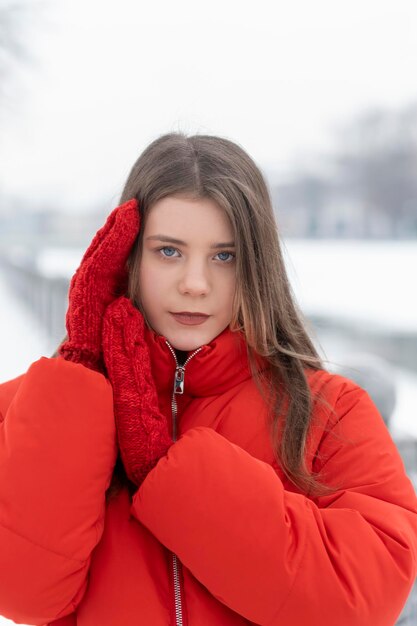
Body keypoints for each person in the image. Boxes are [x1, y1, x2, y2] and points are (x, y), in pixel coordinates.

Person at [0, 133, 416, 626]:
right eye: (168, 251)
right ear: (125, 255)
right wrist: (83, 365)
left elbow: (361, 601)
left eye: (224, 256)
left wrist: (168, 469)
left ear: (257, 267)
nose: (195, 283)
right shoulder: (34, 409)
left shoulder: (330, 412)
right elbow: (23, 594)